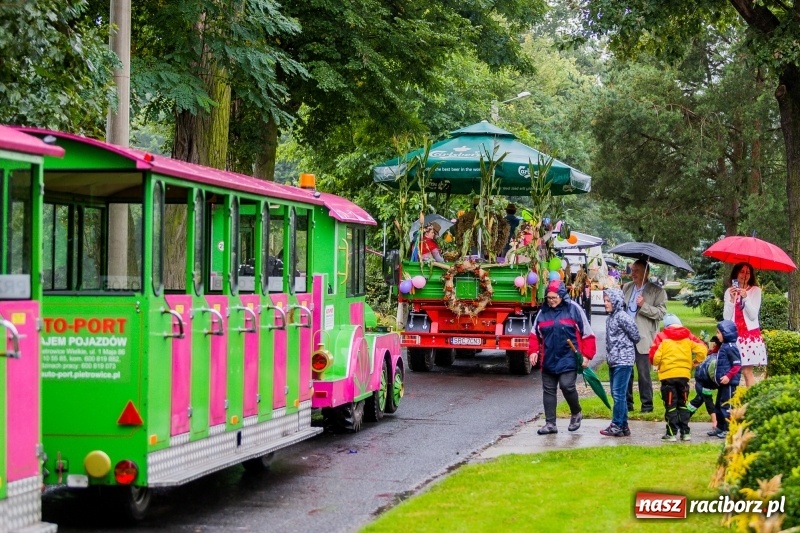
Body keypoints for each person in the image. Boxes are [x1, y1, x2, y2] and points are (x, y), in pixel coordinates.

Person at [528, 280, 597, 435]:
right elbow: (534, 335)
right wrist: (533, 351)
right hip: (548, 358)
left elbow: (588, 334)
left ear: (562, 296)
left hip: (569, 357)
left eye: (554, 298)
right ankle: (550, 423)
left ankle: (576, 412)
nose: (551, 301)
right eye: (548, 298)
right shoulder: (542, 312)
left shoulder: (574, 309)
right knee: (549, 390)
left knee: (567, 385)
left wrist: (587, 355)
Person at [649, 314, 708, 442]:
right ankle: (685, 433)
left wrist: (658, 364)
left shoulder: (662, 337)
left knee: (670, 404)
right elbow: (703, 349)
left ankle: (671, 433)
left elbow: (654, 357)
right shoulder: (688, 335)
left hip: (668, 376)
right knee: (682, 404)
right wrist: (695, 362)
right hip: (684, 376)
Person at [622, 259, 668, 413]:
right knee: (626, 372)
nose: (633, 273)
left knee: (643, 373)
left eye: (636, 271)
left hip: (644, 337)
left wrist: (644, 306)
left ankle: (647, 405)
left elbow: (661, 313)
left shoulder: (657, 291)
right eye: (632, 270)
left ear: (646, 272)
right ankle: (627, 404)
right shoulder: (627, 287)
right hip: (626, 337)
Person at [599, 288, 640, 437]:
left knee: (618, 394)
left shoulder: (623, 317)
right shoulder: (610, 318)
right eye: (605, 300)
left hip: (623, 360)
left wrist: (622, 347)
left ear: (616, 301)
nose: (605, 303)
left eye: (608, 301)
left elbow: (636, 335)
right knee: (617, 393)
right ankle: (623, 425)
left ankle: (616, 424)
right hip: (614, 361)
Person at [722, 262, 766, 387]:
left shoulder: (755, 291)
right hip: (734, 336)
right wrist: (731, 300)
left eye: (747, 272)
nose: (744, 275)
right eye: (742, 271)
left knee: (747, 372)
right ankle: (731, 402)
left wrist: (746, 298)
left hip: (749, 336)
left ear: (751, 275)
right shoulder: (729, 291)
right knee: (732, 371)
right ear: (736, 273)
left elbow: (753, 315)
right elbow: (726, 317)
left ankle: (751, 401)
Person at [710, 320, 742, 439]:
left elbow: (737, 365)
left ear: (726, 333)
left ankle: (729, 429)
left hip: (729, 383)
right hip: (722, 382)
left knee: (727, 406)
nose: (717, 335)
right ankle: (720, 427)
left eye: (719, 333)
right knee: (719, 405)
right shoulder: (723, 346)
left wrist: (728, 376)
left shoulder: (731, 347)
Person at [687, 336, 720, 435]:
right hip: (702, 380)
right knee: (701, 398)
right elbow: (709, 402)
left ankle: (683, 417)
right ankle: (683, 417)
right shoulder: (706, 373)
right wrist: (714, 422)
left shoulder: (721, 357)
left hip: (710, 377)